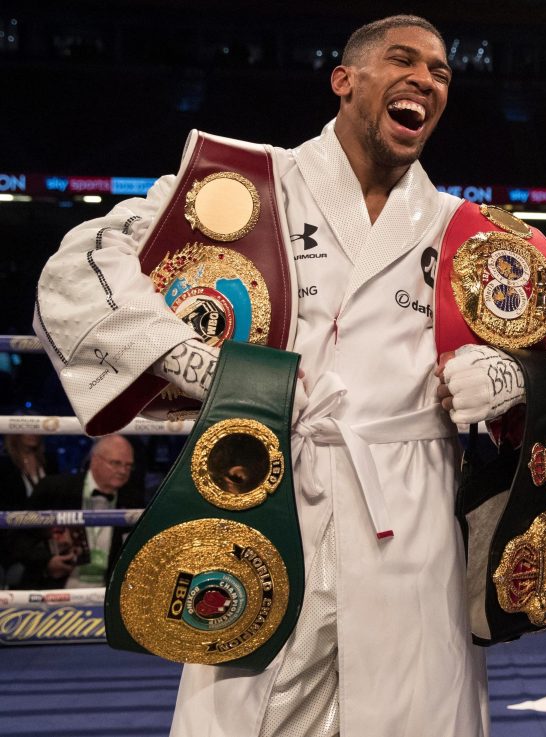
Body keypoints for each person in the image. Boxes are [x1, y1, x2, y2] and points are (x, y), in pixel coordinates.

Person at [32, 15, 488, 737]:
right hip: (269, 489)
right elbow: (77, 271)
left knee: (416, 708)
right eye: (403, 60)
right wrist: (191, 359)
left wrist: (508, 374)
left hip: (412, 510)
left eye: (440, 72)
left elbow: (545, 342)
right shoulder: (247, 182)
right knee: (250, 708)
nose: (425, 80)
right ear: (344, 81)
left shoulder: (462, 226)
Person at [10, 434, 141, 589]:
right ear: (95, 460)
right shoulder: (55, 489)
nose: (122, 471)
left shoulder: (132, 500)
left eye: (128, 465)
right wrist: (46, 561)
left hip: (106, 593)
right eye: (115, 463)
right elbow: (16, 537)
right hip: (53, 590)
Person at [0, 432, 56, 587]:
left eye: (36, 429)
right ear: (15, 434)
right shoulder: (5, 464)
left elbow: (57, 496)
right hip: (11, 532)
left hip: (45, 530)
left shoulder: (49, 460)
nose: (33, 434)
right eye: (27, 429)